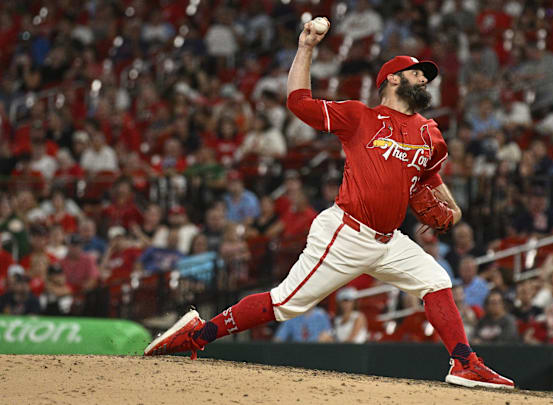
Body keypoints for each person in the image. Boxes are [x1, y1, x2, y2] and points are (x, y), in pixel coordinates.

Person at [144, 19, 514, 389]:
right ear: (393, 79)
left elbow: (430, 175)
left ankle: (464, 363)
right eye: (417, 74)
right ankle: (200, 333)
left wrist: (454, 208)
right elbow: (298, 102)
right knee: (286, 302)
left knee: (436, 280)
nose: (425, 80)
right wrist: (306, 46)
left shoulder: (429, 131)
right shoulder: (359, 117)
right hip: (346, 233)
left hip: (389, 241)